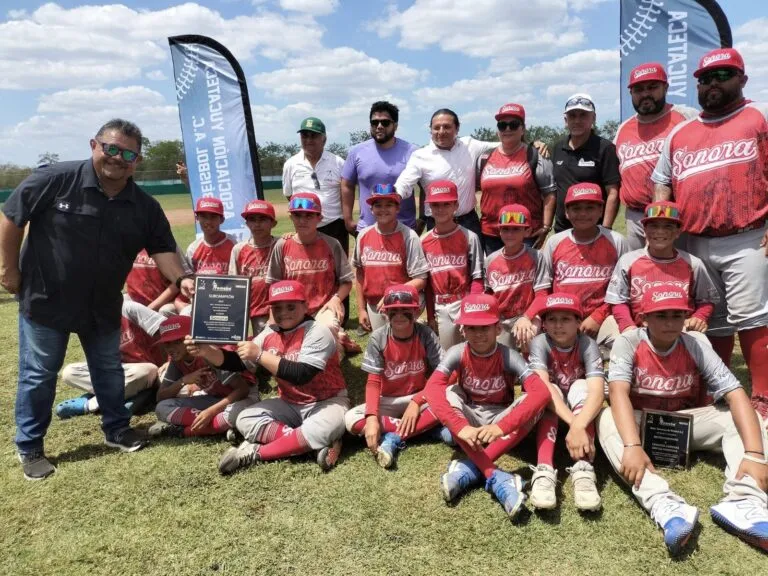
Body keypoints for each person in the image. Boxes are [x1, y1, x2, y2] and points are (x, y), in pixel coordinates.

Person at [0, 118, 195, 480]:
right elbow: (12, 217)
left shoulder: (144, 206)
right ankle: (30, 446)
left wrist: (181, 279)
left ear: (137, 161)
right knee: (38, 375)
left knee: (108, 370)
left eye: (129, 154)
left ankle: (117, 430)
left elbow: (163, 249)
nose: (118, 158)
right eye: (112, 148)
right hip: (47, 301)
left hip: (102, 304)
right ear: (95, 145)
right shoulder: (55, 179)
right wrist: (8, 269)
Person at [597, 284, 768, 554]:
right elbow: (618, 393)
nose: (670, 323)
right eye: (661, 315)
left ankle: (744, 500)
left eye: (677, 315)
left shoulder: (694, 343)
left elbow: (735, 393)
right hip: (642, 425)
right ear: (644, 318)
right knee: (606, 418)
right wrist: (632, 445)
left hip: (685, 423)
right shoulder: (629, 341)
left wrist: (755, 455)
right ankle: (665, 503)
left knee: (746, 416)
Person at [651, 47, 768, 418]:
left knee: (751, 316)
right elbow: (662, 182)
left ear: (742, 79)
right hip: (694, 239)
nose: (712, 84)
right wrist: (662, 225)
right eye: (705, 79)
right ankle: (719, 387)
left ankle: (763, 395)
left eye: (722, 75)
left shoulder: (759, 116)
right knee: (710, 317)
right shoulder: (681, 133)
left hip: (748, 233)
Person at [190, 281, 349, 473]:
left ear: (305, 306)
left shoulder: (318, 331)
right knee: (245, 418)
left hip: (326, 401)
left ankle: (256, 453)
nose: (284, 313)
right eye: (277, 308)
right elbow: (237, 362)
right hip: (290, 402)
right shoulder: (268, 333)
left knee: (321, 429)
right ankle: (304, 444)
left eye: (291, 307)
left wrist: (259, 355)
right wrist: (206, 351)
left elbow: (301, 375)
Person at [424, 294, 551, 519]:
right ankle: (495, 476)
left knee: (536, 405)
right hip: (469, 419)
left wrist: (501, 427)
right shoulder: (457, 351)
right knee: (448, 392)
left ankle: (469, 468)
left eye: (485, 327)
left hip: (499, 420)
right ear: (463, 330)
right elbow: (432, 388)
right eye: (471, 328)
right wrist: (460, 426)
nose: (478, 334)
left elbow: (541, 392)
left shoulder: (508, 355)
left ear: (498, 329)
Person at [344, 284, 443, 468]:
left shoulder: (425, 334)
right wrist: (372, 418)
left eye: (405, 310)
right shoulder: (378, 337)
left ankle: (393, 437)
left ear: (416, 311)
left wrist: (417, 401)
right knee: (351, 418)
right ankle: (426, 429)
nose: (399, 315)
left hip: (419, 397)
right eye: (393, 311)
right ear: (385, 312)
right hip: (389, 399)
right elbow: (373, 382)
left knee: (451, 396)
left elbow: (442, 375)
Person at [526, 293, 606, 511]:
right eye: (551, 319)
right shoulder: (540, 342)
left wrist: (578, 424)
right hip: (554, 410)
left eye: (565, 319)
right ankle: (544, 468)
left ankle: (583, 468)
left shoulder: (587, 344)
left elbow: (597, 392)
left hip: (579, 411)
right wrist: (575, 424)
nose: (558, 325)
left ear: (579, 322)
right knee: (547, 390)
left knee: (581, 386)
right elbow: (542, 387)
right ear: (544, 323)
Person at [535, 183, 629, 350]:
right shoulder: (555, 242)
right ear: (566, 212)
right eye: (576, 208)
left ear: (601, 210)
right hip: (561, 315)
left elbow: (623, 290)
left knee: (624, 340)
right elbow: (544, 288)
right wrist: (553, 318)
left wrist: (598, 316)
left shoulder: (616, 241)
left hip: (603, 316)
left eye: (590, 208)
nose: (583, 213)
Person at [614, 63, 698, 250]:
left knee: (678, 265)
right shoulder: (623, 129)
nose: (645, 94)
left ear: (665, 88)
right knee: (640, 266)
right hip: (635, 217)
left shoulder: (686, 117)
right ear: (631, 93)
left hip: (676, 216)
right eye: (639, 90)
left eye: (652, 87)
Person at [266, 192, 359, 354]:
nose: (302, 220)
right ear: (291, 217)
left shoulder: (331, 244)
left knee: (325, 337)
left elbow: (346, 281)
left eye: (309, 216)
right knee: (276, 349)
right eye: (297, 215)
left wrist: (336, 299)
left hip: (324, 306)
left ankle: (337, 342)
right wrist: (273, 314)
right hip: (291, 308)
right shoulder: (282, 245)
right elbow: (274, 284)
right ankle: (340, 338)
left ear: (319, 218)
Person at [606, 201, 718, 334]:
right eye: (653, 226)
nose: (660, 231)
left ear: (678, 232)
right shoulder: (628, 261)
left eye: (668, 226)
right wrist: (627, 326)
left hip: (680, 331)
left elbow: (706, 300)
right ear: (644, 230)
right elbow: (618, 301)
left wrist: (699, 317)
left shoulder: (693, 264)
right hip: (638, 330)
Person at [393, 109, 500, 239]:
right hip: (437, 224)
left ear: (457, 128)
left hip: (468, 222)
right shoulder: (420, 156)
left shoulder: (470, 145)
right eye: (436, 128)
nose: (441, 132)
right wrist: (394, 196)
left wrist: (524, 141)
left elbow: (503, 145)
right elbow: (404, 182)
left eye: (447, 127)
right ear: (430, 130)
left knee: (474, 253)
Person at [148, 315, 256, 439]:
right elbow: (160, 397)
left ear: (191, 338)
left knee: (233, 415)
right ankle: (218, 427)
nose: (171, 349)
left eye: (177, 342)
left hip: (242, 398)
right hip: (214, 399)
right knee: (162, 407)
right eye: (167, 344)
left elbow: (243, 390)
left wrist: (211, 412)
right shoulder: (177, 361)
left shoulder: (209, 353)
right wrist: (183, 381)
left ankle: (184, 431)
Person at [55, 300, 167, 419]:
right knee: (69, 372)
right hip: (124, 373)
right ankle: (132, 394)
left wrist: (169, 361)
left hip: (156, 369)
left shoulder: (128, 308)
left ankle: (91, 404)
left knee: (148, 370)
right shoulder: (90, 321)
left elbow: (166, 329)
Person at [478, 103, 556, 253]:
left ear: (523, 129)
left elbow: (549, 193)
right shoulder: (485, 157)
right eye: (502, 125)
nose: (507, 129)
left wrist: (546, 227)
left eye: (513, 125)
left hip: (525, 232)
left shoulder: (536, 155)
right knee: (495, 267)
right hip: (491, 233)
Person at [353, 184, 429, 332]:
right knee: (384, 338)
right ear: (371, 209)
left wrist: (392, 294)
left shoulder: (409, 236)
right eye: (378, 205)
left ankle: (416, 326)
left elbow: (421, 279)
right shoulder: (363, 235)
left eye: (389, 205)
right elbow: (360, 274)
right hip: (375, 303)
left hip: (404, 300)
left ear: (397, 208)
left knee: (400, 334)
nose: (383, 209)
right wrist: (361, 310)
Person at [341, 101, 424, 235]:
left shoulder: (412, 152)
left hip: (404, 231)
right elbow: (347, 185)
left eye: (385, 122)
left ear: (395, 126)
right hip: (367, 230)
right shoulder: (356, 152)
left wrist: (422, 218)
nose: (379, 126)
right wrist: (348, 219)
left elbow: (424, 186)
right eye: (375, 123)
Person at [421, 180, 484, 350]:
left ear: (456, 205)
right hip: (440, 306)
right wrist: (430, 315)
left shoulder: (469, 237)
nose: (440, 209)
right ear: (429, 207)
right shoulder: (424, 241)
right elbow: (427, 285)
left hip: (464, 301)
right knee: (448, 354)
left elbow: (478, 278)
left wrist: (471, 310)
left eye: (446, 204)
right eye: (435, 205)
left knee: (474, 350)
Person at [552, 93, 621, 233]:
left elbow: (613, 193)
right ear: (566, 120)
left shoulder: (605, 148)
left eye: (583, 115)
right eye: (572, 116)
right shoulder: (558, 148)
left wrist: (605, 229)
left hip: (594, 230)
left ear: (593, 118)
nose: (577, 121)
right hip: (562, 230)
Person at [484, 204, 547, 352]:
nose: (510, 234)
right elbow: (488, 295)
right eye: (505, 229)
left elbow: (542, 295)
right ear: (499, 230)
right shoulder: (490, 261)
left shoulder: (536, 257)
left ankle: (530, 365)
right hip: (502, 318)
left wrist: (526, 317)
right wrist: (492, 320)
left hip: (529, 314)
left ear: (527, 231)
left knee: (528, 336)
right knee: (501, 354)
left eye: (516, 229)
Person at [282, 117, 348, 252]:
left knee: (338, 264)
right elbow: (289, 195)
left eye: (314, 136)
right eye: (304, 136)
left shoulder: (338, 162)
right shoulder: (291, 164)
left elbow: (345, 194)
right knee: (307, 264)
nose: (308, 140)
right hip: (305, 227)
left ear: (324, 139)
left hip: (334, 225)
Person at [175, 196, 236, 315]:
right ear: (197, 218)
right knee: (169, 310)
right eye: (203, 216)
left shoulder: (233, 245)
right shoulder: (193, 248)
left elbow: (239, 281)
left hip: (227, 299)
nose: (208, 221)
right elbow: (189, 278)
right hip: (200, 299)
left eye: (213, 217)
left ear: (222, 219)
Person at [229, 199, 278, 337]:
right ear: (246, 223)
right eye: (252, 219)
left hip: (279, 305)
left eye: (262, 219)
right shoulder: (239, 249)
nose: (257, 224)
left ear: (273, 223)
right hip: (254, 308)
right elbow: (233, 282)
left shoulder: (281, 244)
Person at [125, 246, 188, 315]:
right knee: (121, 304)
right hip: (135, 299)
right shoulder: (128, 245)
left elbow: (179, 281)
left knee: (165, 310)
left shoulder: (168, 246)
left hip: (166, 302)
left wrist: (150, 308)